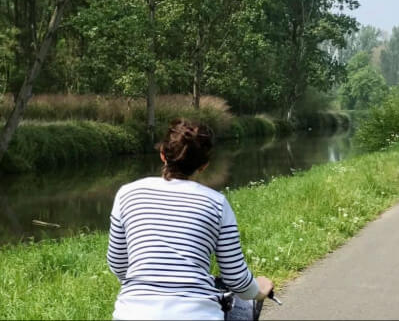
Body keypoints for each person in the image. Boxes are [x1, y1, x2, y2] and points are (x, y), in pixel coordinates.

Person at [106, 119, 274, 320]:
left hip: (131, 314)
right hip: (197, 315)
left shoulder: (127, 194)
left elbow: (117, 263)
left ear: (162, 155)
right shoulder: (217, 203)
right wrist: (260, 289)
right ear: (204, 165)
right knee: (241, 310)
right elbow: (236, 279)